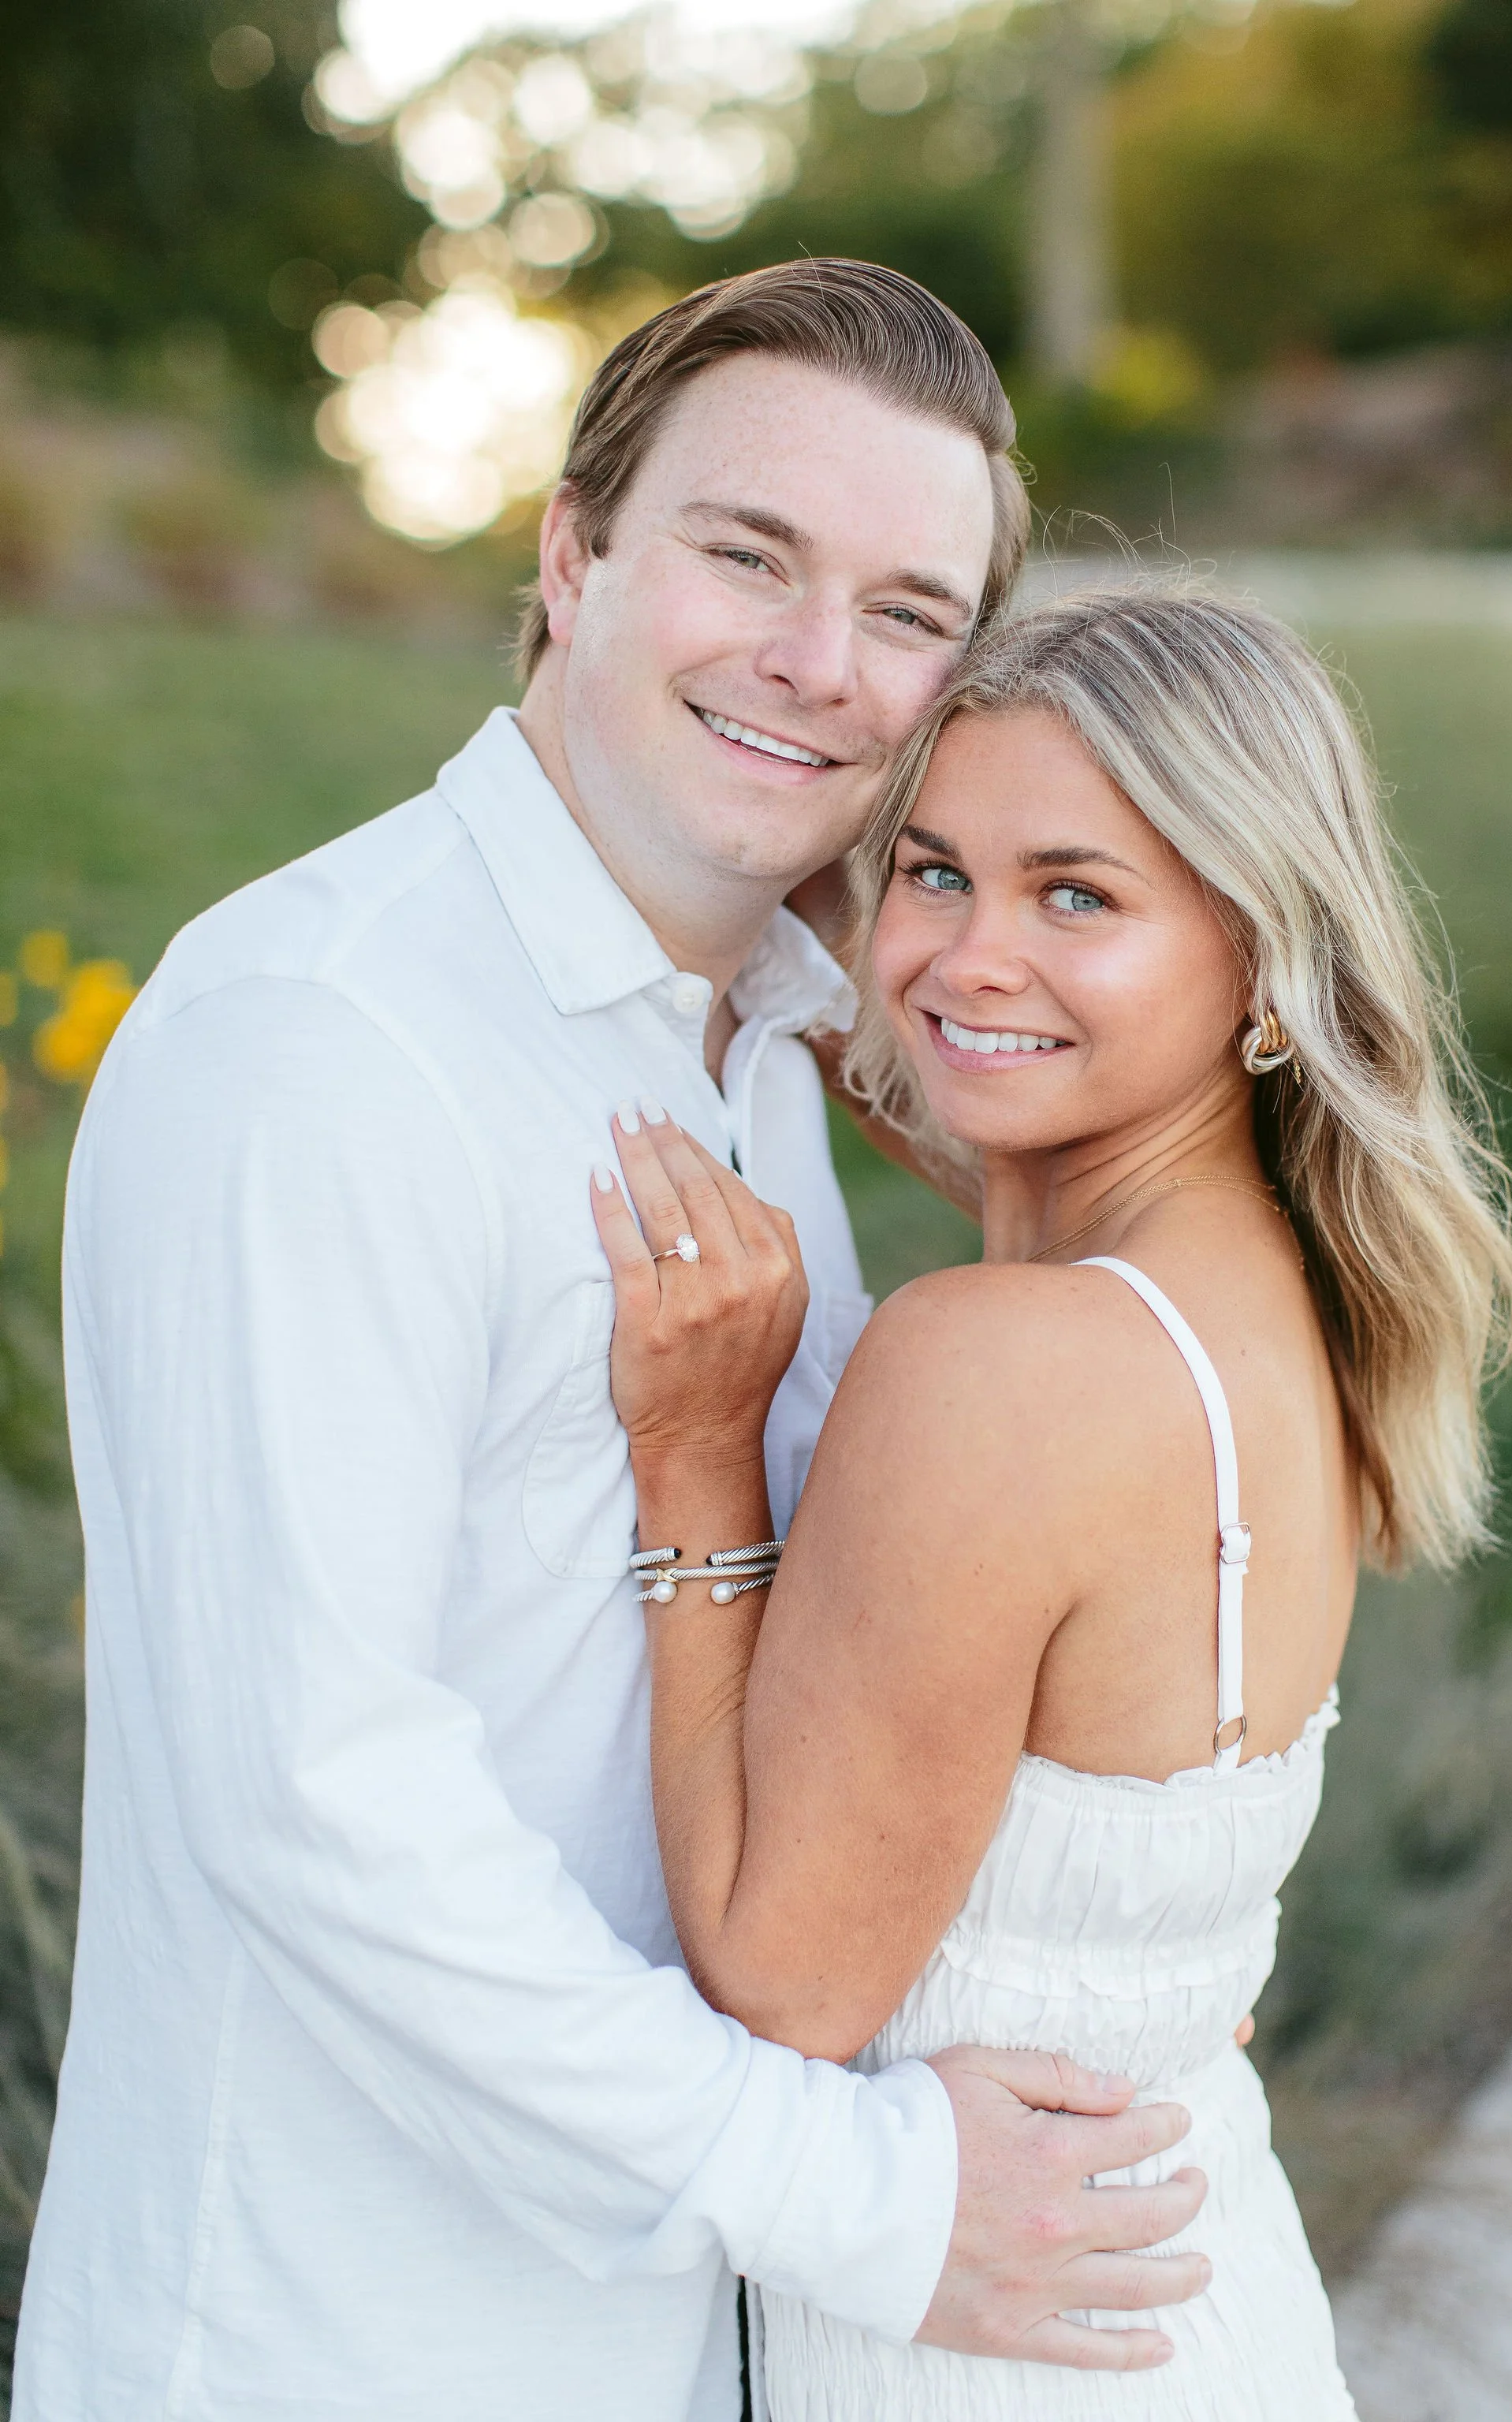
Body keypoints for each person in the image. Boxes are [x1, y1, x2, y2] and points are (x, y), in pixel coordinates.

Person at [14, 266, 1216, 2422]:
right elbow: (317, 1803)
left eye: (907, 613)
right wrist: (855, 2192)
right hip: (338, 2344)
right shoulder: (324, 1043)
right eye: (748, 557)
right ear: (574, 558)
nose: (817, 663)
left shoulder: (761, 1034)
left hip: (669, 2332)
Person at [590, 581, 1512, 2420]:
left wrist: (696, 1451)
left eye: (1076, 896)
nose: (967, 957)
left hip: (992, 2359)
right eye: (933, 872)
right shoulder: (1284, 1299)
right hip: (1195, 2311)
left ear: (1261, 960)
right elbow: (962, 1060)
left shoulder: (1000, 1368)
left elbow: (785, 1990)